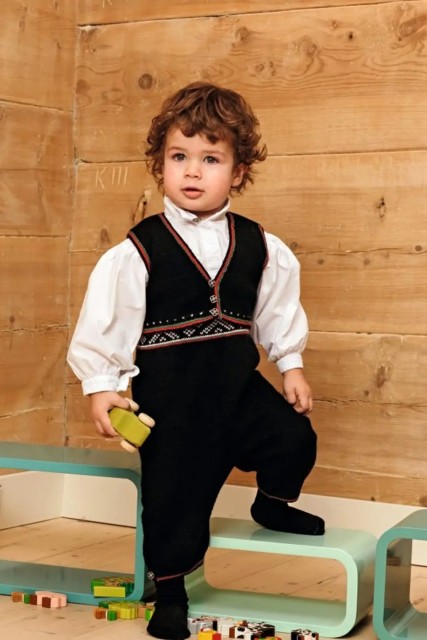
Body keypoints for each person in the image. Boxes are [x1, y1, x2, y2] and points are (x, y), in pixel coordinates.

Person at [67, 82, 325, 640]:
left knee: (294, 439)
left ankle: (272, 504)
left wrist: (291, 365)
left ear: (237, 172)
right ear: (160, 165)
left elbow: (278, 312)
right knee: (172, 500)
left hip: (238, 391)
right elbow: (107, 323)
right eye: (178, 157)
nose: (192, 171)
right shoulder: (137, 250)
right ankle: (172, 594)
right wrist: (101, 385)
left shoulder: (260, 245)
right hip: (173, 404)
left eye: (210, 159)